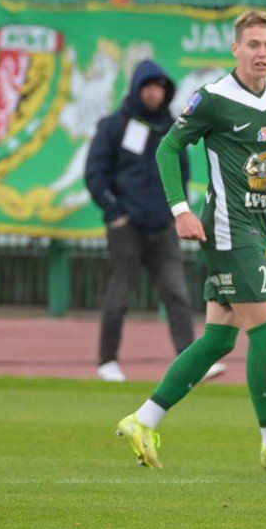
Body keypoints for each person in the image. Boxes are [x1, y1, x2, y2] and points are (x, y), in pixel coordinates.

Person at [116, 12, 266, 470]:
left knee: (218, 341)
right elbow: (169, 148)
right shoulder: (212, 98)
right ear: (236, 49)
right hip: (228, 228)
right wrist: (180, 209)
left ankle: (143, 419)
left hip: (255, 225)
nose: (262, 52)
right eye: (253, 44)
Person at [84, 60, 197, 381]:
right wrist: (114, 213)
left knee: (177, 293)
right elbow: (95, 174)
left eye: (159, 87)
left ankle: (190, 364)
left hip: (162, 227)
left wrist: (177, 212)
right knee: (118, 296)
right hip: (126, 227)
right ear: (136, 88)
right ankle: (107, 362)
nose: (154, 93)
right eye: (148, 86)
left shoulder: (172, 128)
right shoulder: (115, 125)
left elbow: (182, 173)